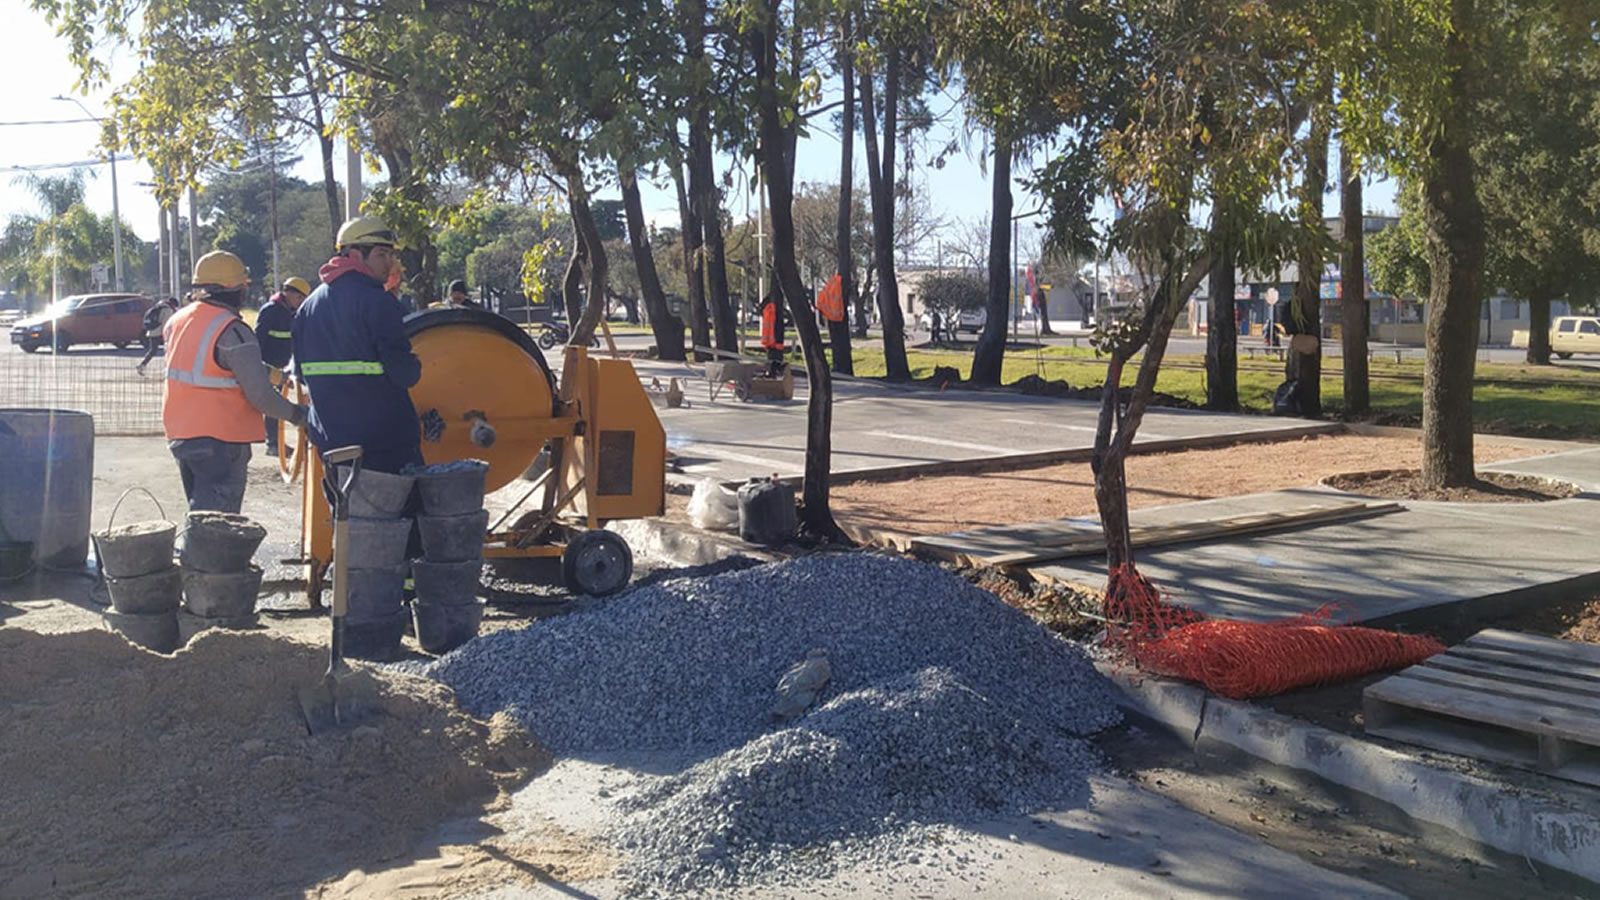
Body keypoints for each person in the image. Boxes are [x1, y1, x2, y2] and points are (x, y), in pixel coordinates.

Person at [162, 251, 307, 513]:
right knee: (216, 527)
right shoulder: (232, 330)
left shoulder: (180, 320)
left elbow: (218, 364)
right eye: (243, 286)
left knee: (202, 514)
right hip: (220, 440)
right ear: (234, 289)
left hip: (182, 434)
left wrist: (275, 375)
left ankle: (200, 553)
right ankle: (202, 556)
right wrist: (298, 415)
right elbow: (260, 395)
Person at [292, 215, 424, 475]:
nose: (389, 263)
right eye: (381, 254)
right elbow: (405, 374)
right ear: (354, 254)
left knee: (344, 515)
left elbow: (301, 374)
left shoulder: (307, 307)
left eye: (391, 255)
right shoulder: (380, 303)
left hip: (332, 445)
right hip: (385, 447)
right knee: (400, 515)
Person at [255, 276, 311, 456]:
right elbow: (258, 340)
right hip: (270, 367)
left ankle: (292, 443)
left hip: (285, 366)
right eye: (299, 298)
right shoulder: (270, 311)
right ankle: (273, 444)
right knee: (273, 404)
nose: (300, 302)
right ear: (288, 293)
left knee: (283, 403)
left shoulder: (294, 313)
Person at [134, 296, 180, 375]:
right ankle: (168, 368)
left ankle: (142, 365)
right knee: (169, 350)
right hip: (159, 333)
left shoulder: (159, 306)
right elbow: (165, 324)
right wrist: (166, 336)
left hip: (152, 331)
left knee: (153, 351)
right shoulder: (167, 310)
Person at [758, 291, 788, 376]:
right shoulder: (773, 306)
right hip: (774, 338)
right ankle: (775, 368)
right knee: (774, 357)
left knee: (772, 357)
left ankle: (774, 369)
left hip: (770, 339)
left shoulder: (768, 307)